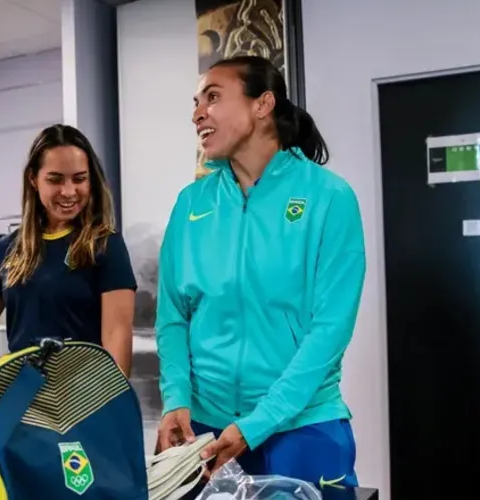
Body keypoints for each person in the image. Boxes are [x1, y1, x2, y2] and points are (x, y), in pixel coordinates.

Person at [155, 55, 366, 490]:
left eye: (213, 97)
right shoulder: (191, 203)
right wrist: (176, 398)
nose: (198, 114)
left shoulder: (328, 197)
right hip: (206, 428)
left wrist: (259, 423)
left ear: (263, 104)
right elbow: (173, 315)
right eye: (196, 103)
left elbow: (329, 331)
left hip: (302, 426)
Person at [0, 124, 137, 376]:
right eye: (55, 179)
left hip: (81, 401)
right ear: (34, 180)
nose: (69, 191)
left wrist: (112, 406)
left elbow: (117, 339)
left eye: (79, 179)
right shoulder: (9, 248)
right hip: (22, 397)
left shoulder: (106, 246)